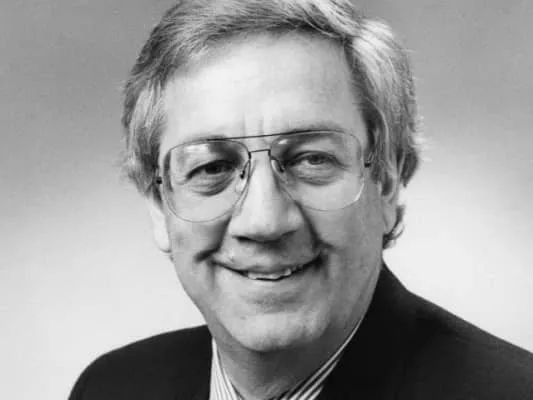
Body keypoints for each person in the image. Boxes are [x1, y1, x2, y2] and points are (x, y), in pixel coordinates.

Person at [69, 0, 533, 398]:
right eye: (212, 168)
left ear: (387, 184)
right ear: (158, 204)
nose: (264, 221)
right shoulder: (112, 387)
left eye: (312, 160)